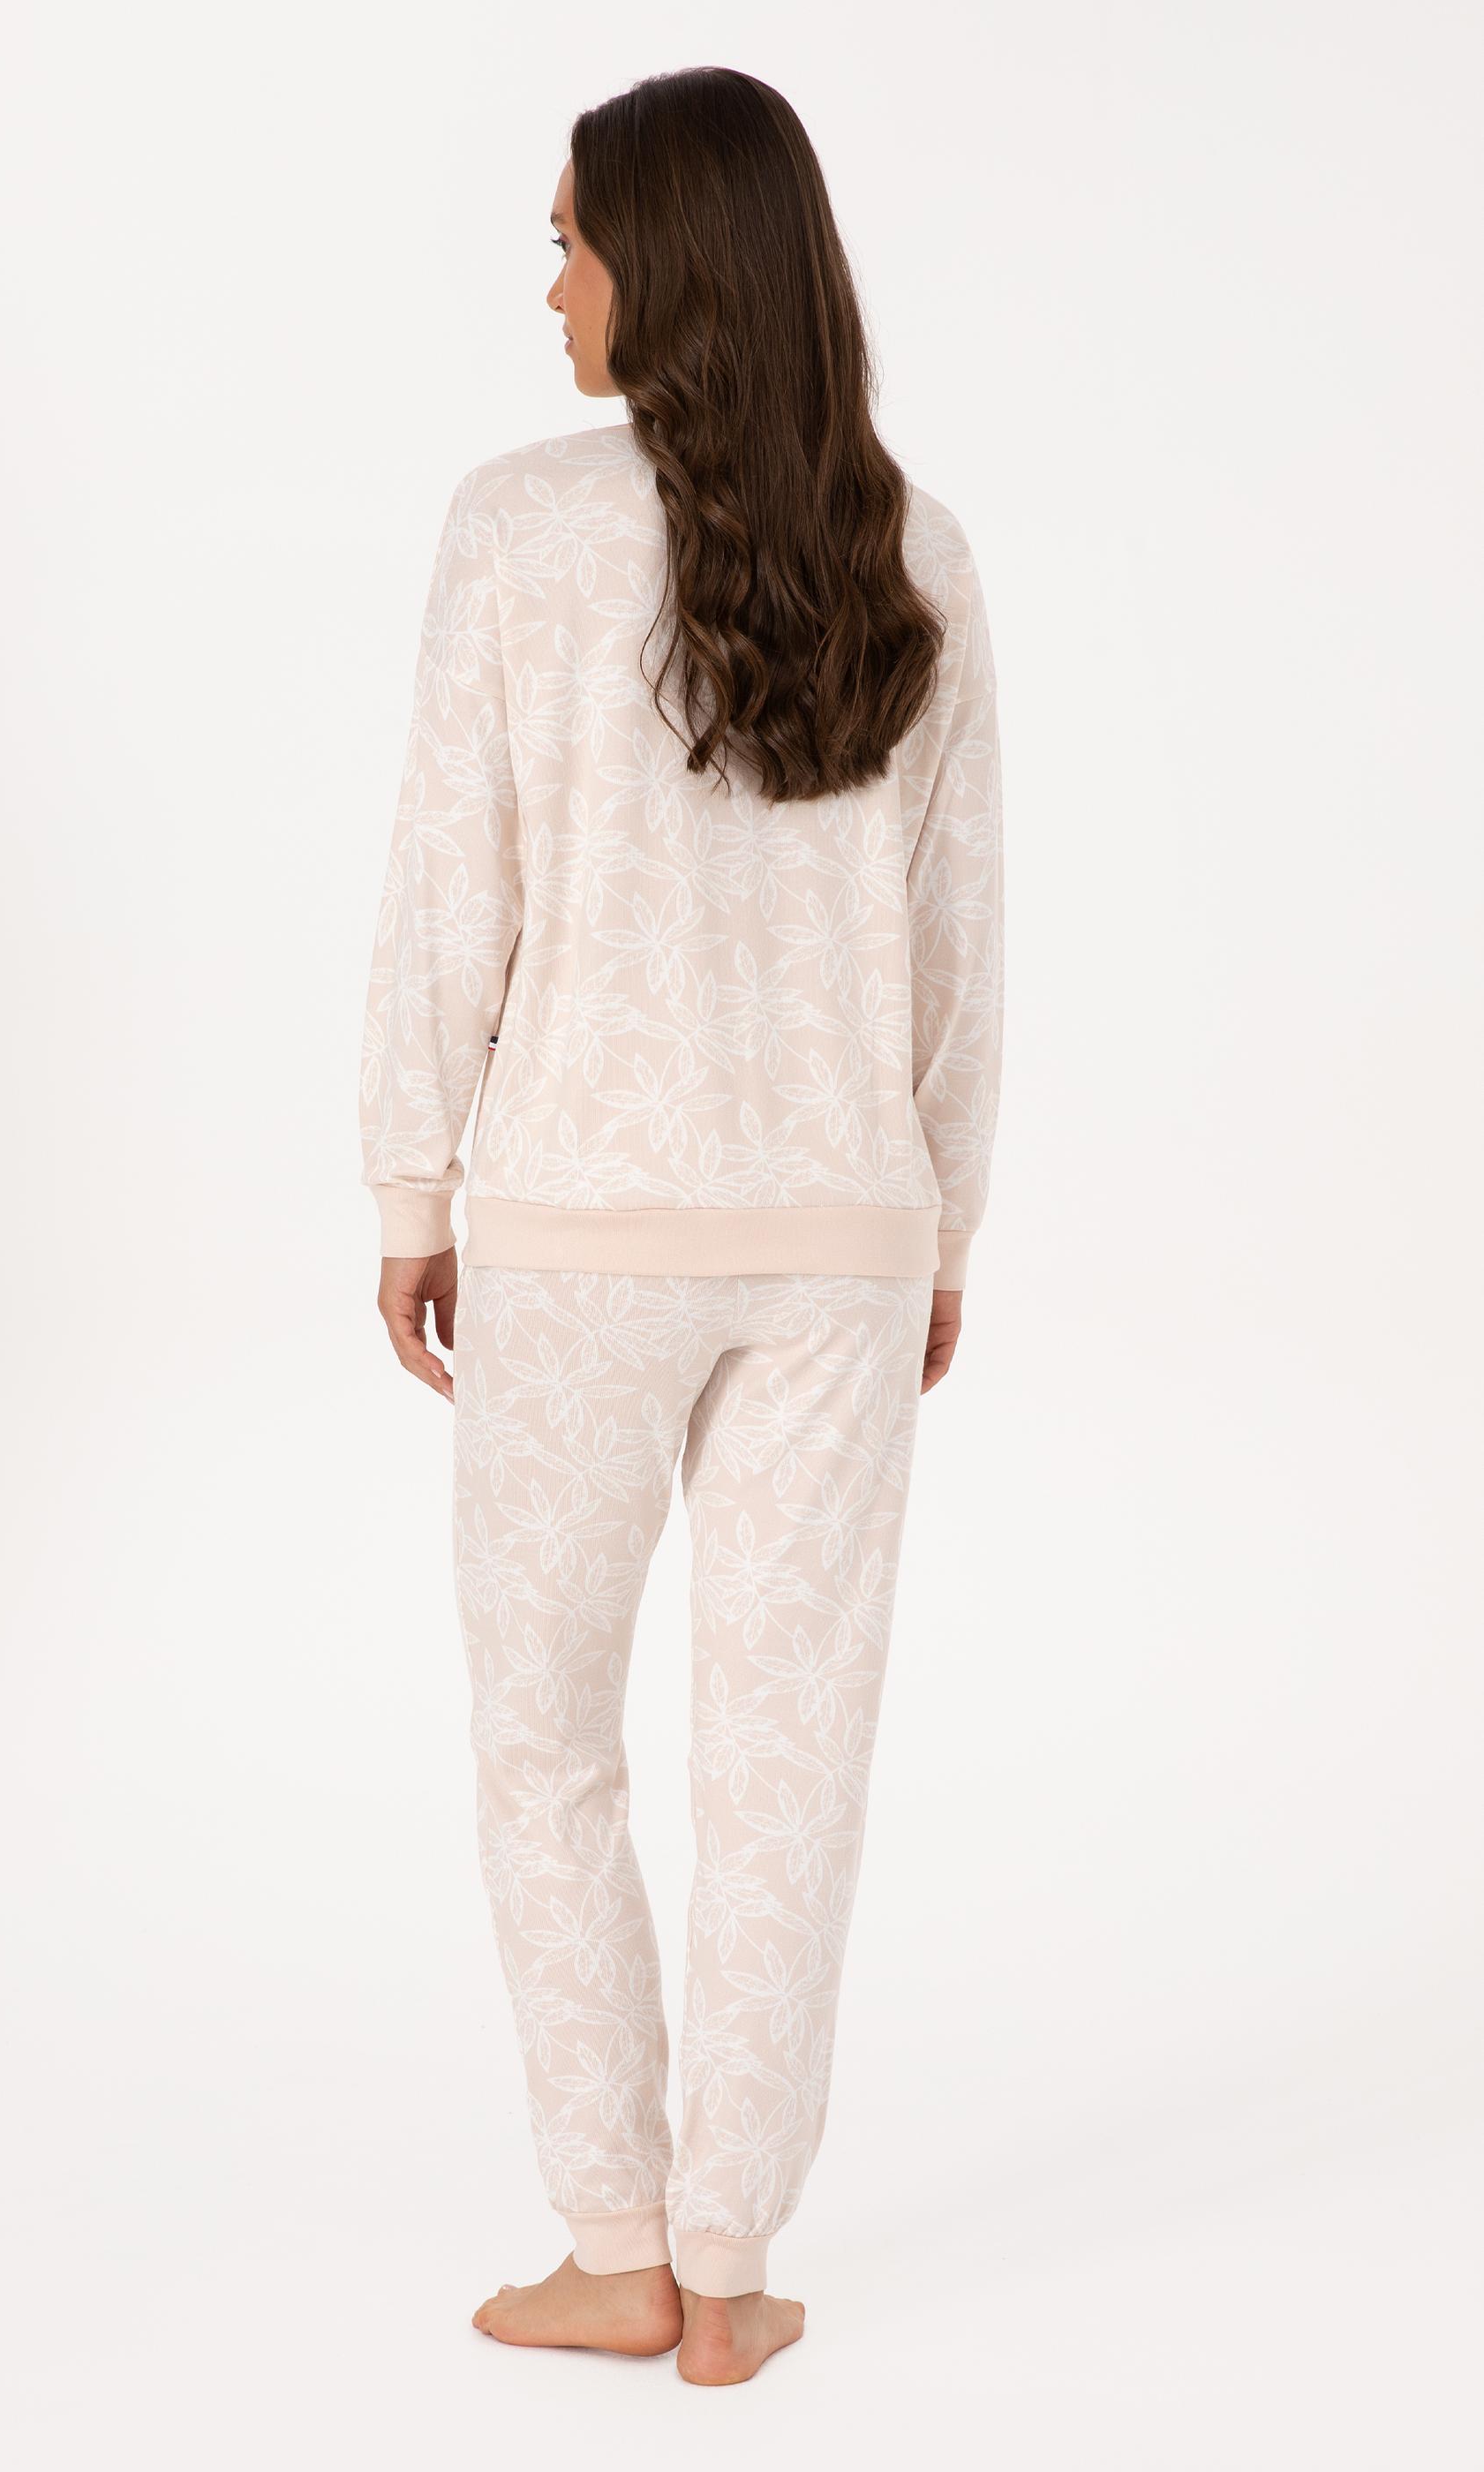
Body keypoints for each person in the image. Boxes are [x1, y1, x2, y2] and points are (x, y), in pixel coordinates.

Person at [358, 66, 1003, 2385]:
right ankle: (726, 2270)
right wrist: (937, 1231)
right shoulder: (914, 547)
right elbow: (957, 944)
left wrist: (411, 1180)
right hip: (841, 1235)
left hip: (578, 1228)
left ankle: (617, 2239)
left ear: (671, 258)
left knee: (545, 1736)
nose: (551, 283)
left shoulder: (515, 530)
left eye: (572, 237)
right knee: (787, 1756)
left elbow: (450, 886)